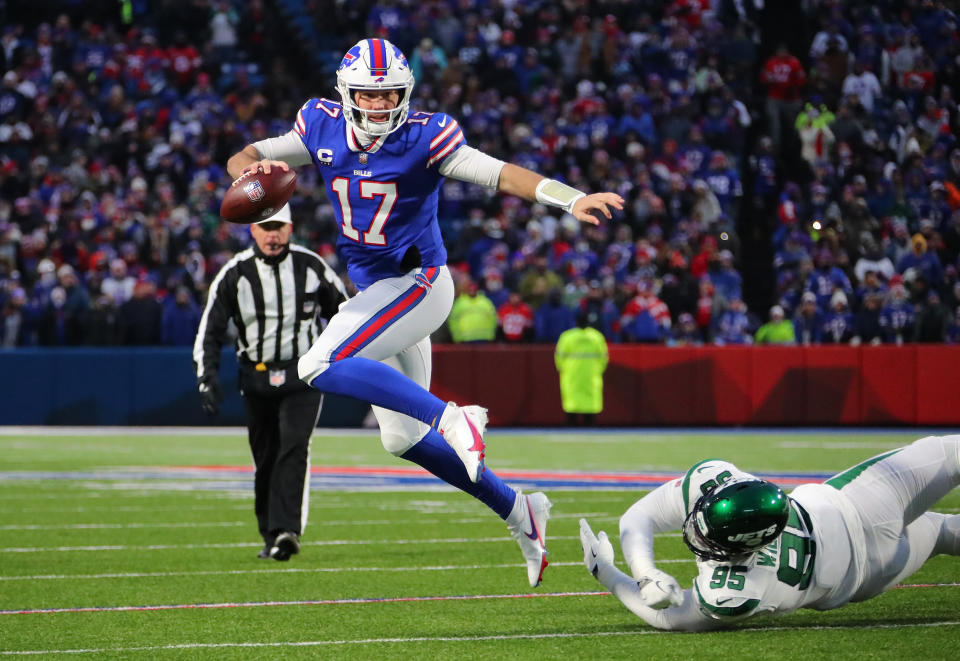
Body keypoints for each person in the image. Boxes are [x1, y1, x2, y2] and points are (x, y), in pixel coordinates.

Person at [225, 38, 623, 587]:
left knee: (317, 364)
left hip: (420, 283)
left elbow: (500, 172)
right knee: (400, 439)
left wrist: (570, 198)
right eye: (368, 95)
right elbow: (244, 155)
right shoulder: (318, 125)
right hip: (377, 293)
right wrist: (250, 176)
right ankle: (517, 509)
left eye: (390, 95)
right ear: (346, 95)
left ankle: (453, 416)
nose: (380, 107)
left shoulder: (425, 136)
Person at [579, 435, 960, 631]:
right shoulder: (731, 486)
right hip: (860, 499)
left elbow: (667, 618)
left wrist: (613, 573)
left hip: (865, 572)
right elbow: (640, 515)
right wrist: (645, 572)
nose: (694, 528)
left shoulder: (734, 591)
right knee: (949, 454)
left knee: (943, 531)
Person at [193, 204, 348, 561]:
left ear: (291, 228)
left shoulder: (311, 267)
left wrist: (342, 363)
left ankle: (286, 531)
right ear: (253, 230)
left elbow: (345, 314)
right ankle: (270, 534)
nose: (272, 234)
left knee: (294, 446)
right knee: (265, 457)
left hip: (302, 372)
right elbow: (210, 330)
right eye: (265, 227)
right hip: (256, 376)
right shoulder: (234, 274)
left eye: (278, 226)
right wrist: (206, 377)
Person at [555, 313, 608, 427]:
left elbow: (559, 357)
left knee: (572, 401)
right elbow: (603, 358)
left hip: (572, 374)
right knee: (591, 400)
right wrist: (598, 370)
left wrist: (564, 369)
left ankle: (571, 426)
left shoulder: (567, 336)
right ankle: (591, 426)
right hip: (591, 374)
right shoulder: (596, 337)